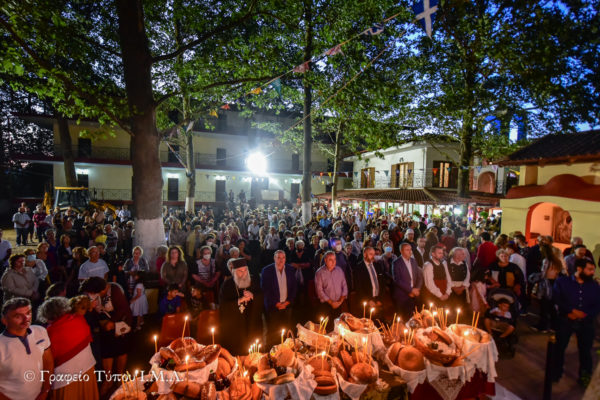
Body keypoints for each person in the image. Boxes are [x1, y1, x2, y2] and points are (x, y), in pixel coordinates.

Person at [36, 297, 99, 400]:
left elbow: (48, 360)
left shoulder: (49, 333)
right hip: (88, 369)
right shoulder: (79, 319)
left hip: (65, 379)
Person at [80, 277, 132, 396]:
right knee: (106, 351)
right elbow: (93, 310)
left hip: (120, 323)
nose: (91, 295)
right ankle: (108, 380)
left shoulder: (114, 290)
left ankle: (119, 377)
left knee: (121, 349)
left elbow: (123, 309)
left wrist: (112, 323)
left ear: (100, 290)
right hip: (104, 325)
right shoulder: (92, 294)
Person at [552, 259, 600, 387]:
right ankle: (555, 373)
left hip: (586, 323)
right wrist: (570, 311)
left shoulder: (594, 286)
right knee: (559, 348)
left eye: (593, 269)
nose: (592, 272)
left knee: (585, 351)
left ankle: (584, 377)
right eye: (590, 269)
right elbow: (557, 298)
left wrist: (585, 314)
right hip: (566, 320)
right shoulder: (562, 282)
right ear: (579, 269)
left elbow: (597, 304)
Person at [0, 297, 53, 400]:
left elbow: (48, 362)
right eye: (18, 316)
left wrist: (45, 390)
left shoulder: (40, 331)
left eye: (28, 313)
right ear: (4, 320)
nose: (26, 319)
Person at [219, 258, 263, 355]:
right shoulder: (227, 285)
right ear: (234, 272)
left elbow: (263, 297)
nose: (244, 273)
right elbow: (223, 305)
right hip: (235, 326)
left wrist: (253, 296)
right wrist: (239, 301)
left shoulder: (254, 281)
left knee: (253, 352)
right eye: (240, 271)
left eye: (245, 270)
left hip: (252, 323)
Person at [261, 250, 298, 347]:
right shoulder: (267, 270)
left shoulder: (290, 269)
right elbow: (265, 289)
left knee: (286, 328)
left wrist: (288, 301)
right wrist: (276, 303)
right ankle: (272, 350)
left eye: (283, 258)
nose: (281, 260)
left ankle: (285, 349)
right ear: (274, 258)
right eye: (278, 257)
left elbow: (294, 287)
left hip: (287, 305)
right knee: (273, 331)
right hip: (273, 306)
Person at [315, 251, 348, 328]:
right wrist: (331, 302)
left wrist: (340, 301)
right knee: (327, 327)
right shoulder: (319, 273)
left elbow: (344, 285)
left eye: (335, 259)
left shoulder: (339, 270)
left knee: (338, 326)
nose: (333, 262)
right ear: (325, 260)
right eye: (330, 260)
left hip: (339, 303)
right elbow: (319, 291)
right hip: (326, 305)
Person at [355, 246, 389, 319]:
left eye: (374, 254)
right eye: (371, 254)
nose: (373, 256)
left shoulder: (377, 265)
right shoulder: (359, 268)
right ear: (365, 254)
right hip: (367, 300)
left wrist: (380, 299)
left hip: (378, 299)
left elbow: (382, 283)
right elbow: (359, 287)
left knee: (380, 321)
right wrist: (369, 300)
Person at [391, 243, 423, 319]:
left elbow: (419, 277)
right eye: (407, 250)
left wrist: (417, 288)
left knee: (416, 318)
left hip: (415, 295)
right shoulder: (396, 263)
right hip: (403, 296)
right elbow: (397, 280)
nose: (410, 251)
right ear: (401, 251)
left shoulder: (413, 261)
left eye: (410, 249)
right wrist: (411, 290)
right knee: (405, 318)